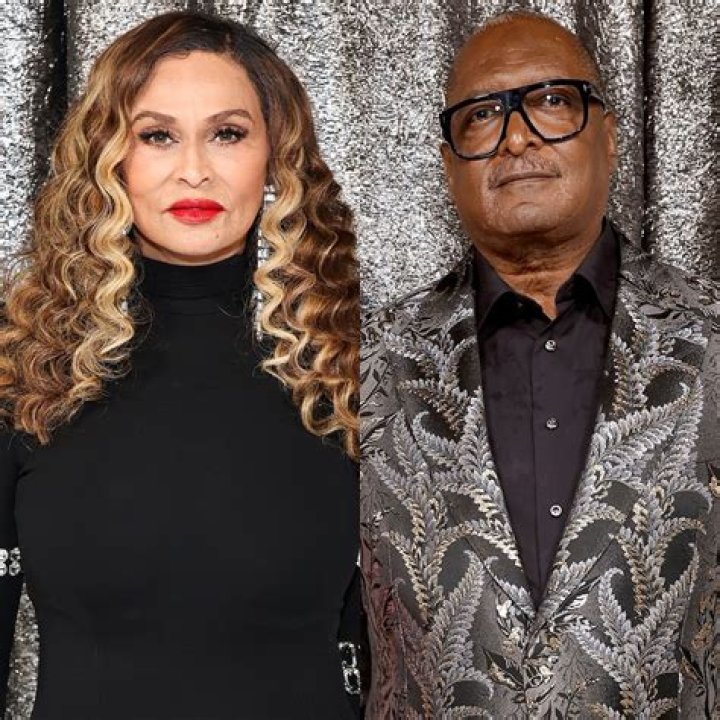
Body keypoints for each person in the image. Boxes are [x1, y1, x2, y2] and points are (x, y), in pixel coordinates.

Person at [0, 11, 363, 719]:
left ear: (275, 158)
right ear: (109, 158)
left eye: (227, 134)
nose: (194, 169)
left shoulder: (351, 367)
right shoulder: (27, 369)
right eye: (157, 135)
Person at [360, 9, 718, 718]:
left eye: (553, 101)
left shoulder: (711, 335)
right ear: (449, 165)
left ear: (609, 137)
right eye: (482, 115)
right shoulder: (360, 360)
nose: (517, 136)